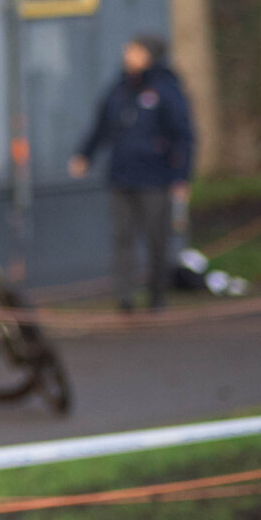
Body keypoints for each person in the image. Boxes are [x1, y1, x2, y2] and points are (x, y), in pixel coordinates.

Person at [70, 34, 196, 313]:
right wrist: (85, 155)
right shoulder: (119, 88)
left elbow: (183, 136)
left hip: (155, 179)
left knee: (156, 239)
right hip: (121, 177)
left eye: (135, 51)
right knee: (122, 238)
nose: (128, 55)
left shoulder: (167, 89)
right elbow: (102, 126)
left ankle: (156, 295)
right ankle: (124, 297)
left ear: (149, 55)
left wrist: (181, 176)